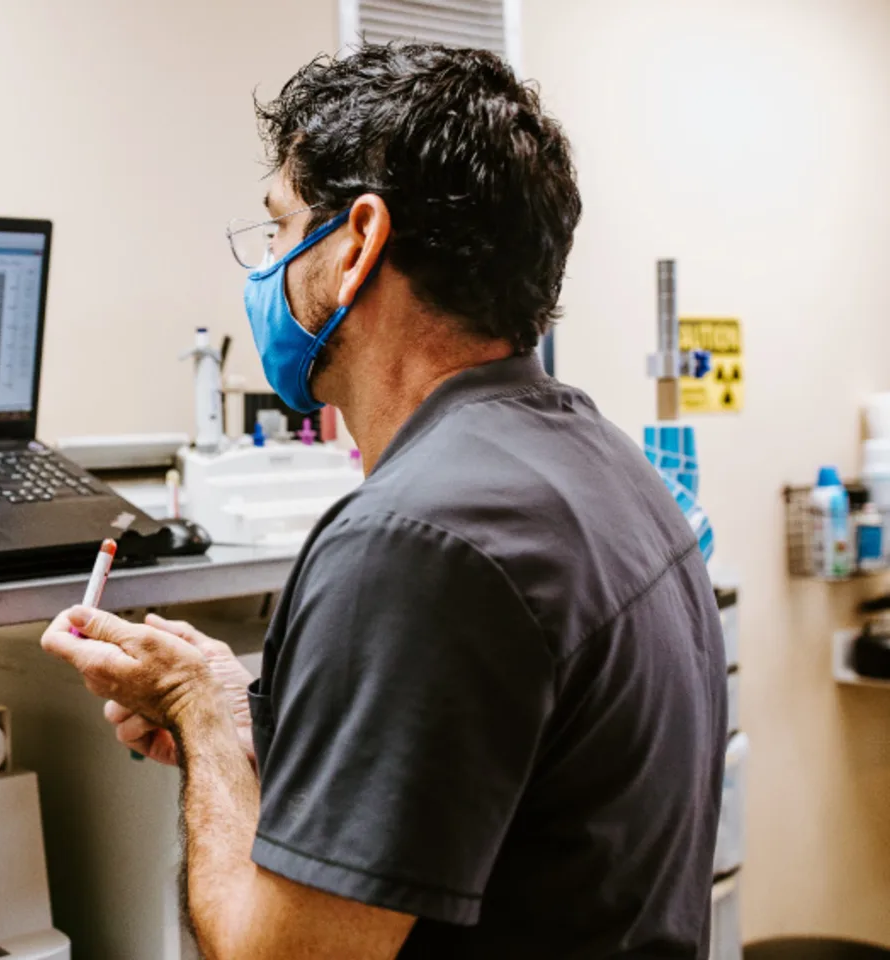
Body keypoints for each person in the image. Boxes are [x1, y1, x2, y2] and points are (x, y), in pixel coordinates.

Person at [40, 42, 727, 960]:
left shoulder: (414, 539)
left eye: (280, 230)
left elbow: (274, 955)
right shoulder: (606, 466)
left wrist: (196, 710)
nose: (268, 268)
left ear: (356, 244)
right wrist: (249, 719)